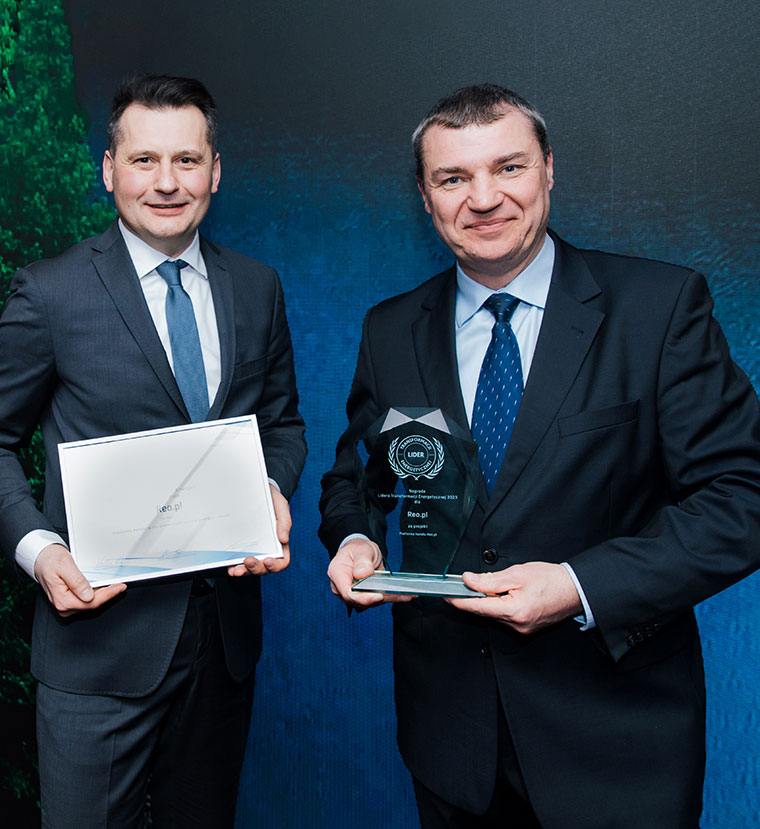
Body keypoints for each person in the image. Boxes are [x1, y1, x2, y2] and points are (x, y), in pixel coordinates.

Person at [319, 83, 760, 828]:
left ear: (549, 168)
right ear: (425, 197)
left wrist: (578, 585)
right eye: (453, 178)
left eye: (508, 167)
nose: (483, 198)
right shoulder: (390, 329)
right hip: (450, 741)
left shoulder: (659, 308)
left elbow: (743, 497)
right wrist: (355, 536)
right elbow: (360, 477)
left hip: (616, 743)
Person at [0, 74, 306, 828]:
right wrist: (40, 550)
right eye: (145, 160)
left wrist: (272, 490)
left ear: (216, 171)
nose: (167, 182)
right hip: (97, 645)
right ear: (109, 170)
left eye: (187, 160)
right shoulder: (50, 293)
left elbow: (281, 425)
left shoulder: (258, 288)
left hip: (222, 646)